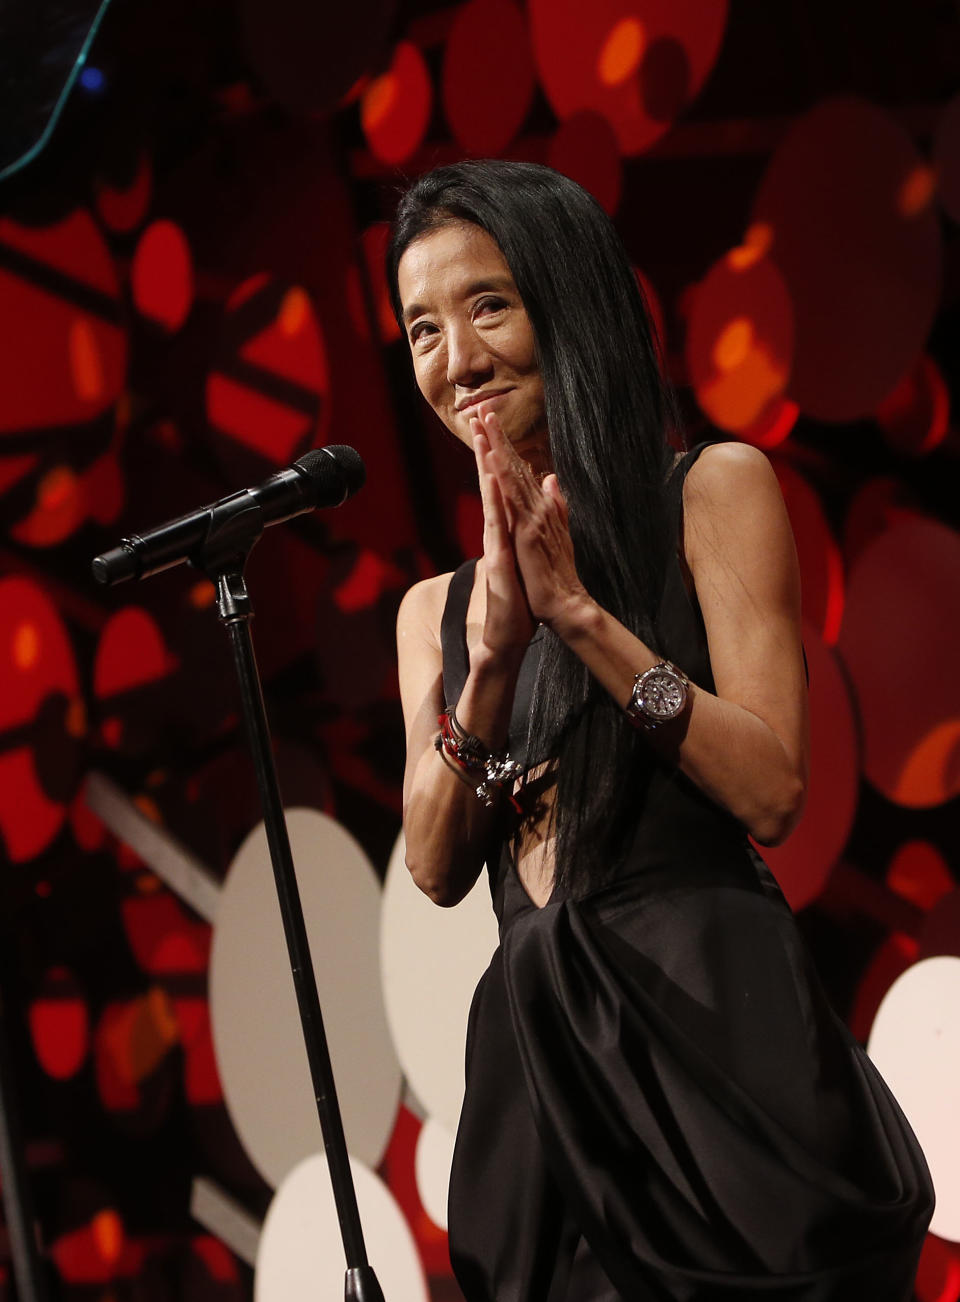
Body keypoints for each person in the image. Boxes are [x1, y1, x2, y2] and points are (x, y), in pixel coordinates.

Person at [389, 160, 933, 1302]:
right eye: (422, 329)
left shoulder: (712, 492)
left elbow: (775, 789)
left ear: (566, 301)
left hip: (718, 1041)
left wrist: (583, 620)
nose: (458, 359)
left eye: (489, 305)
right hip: (545, 1087)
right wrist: (489, 662)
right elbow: (436, 868)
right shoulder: (429, 616)